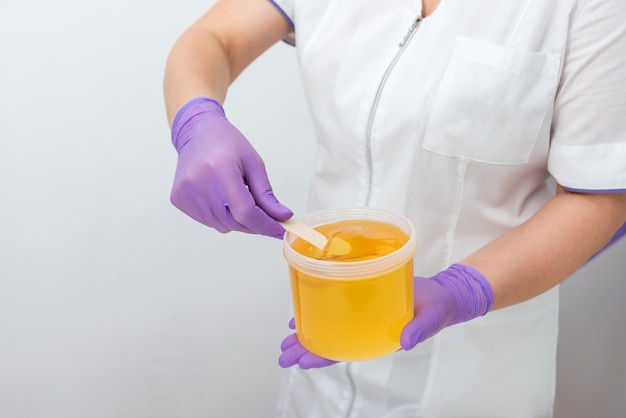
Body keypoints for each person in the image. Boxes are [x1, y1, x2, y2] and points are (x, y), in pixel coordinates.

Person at [163, 0, 626, 416]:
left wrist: (462, 290)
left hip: (475, 371)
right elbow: (216, 37)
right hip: (327, 344)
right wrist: (197, 121)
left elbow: (599, 200)